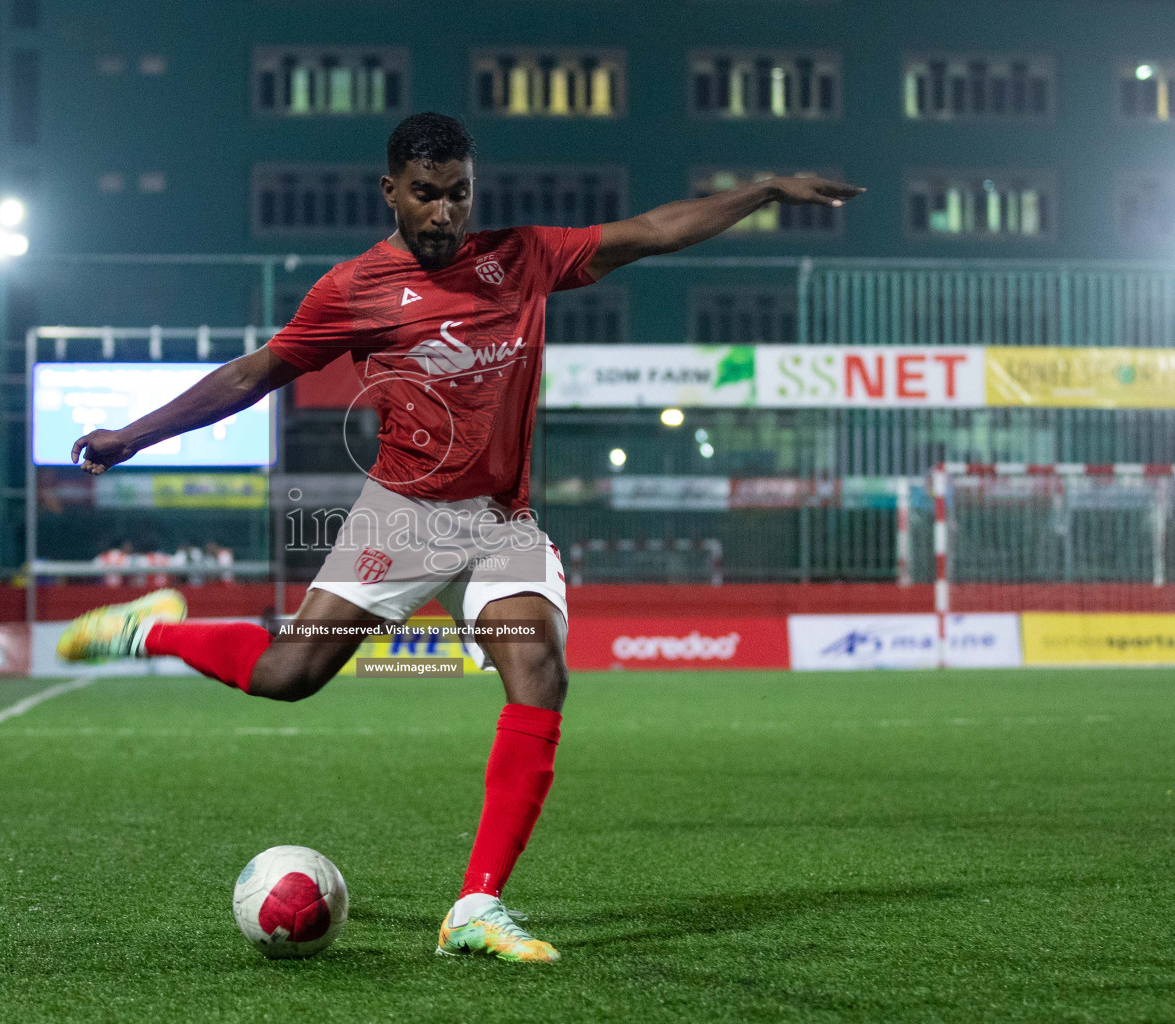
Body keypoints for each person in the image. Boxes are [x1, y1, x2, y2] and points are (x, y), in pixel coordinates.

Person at [58, 113, 863, 961]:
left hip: (499, 523)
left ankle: (477, 908)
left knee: (539, 671)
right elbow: (255, 372)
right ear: (391, 192)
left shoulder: (524, 258)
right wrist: (134, 435)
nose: (443, 213)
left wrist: (766, 190)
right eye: (425, 195)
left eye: (458, 195)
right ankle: (147, 625)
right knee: (286, 675)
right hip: (402, 516)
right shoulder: (354, 290)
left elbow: (655, 231)